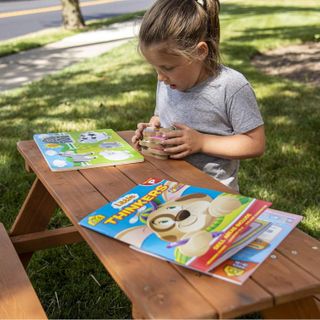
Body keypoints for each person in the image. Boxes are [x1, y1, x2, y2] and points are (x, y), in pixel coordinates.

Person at [132, 0, 265, 191]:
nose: (160, 77)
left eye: (167, 67)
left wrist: (202, 142)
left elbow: (255, 144)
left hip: (213, 195)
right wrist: (152, 130)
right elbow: (162, 117)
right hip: (167, 185)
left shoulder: (231, 86)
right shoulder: (168, 81)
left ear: (200, 52)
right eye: (156, 68)